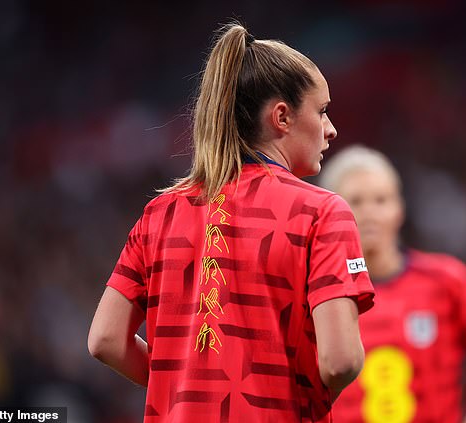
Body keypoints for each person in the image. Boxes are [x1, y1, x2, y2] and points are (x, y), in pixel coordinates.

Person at [87, 23, 375, 423]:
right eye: (322, 111)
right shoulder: (322, 211)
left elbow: (105, 340)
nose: (331, 129)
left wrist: (186, 387)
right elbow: (339, 361)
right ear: (282, 117)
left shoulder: (160, 213)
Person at [318, 145, 466, 423]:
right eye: (355, 201)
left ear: (400, 210)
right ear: (329, 214)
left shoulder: (445, 281)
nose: (369, 213)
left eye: (381, 200)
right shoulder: (316, 295)